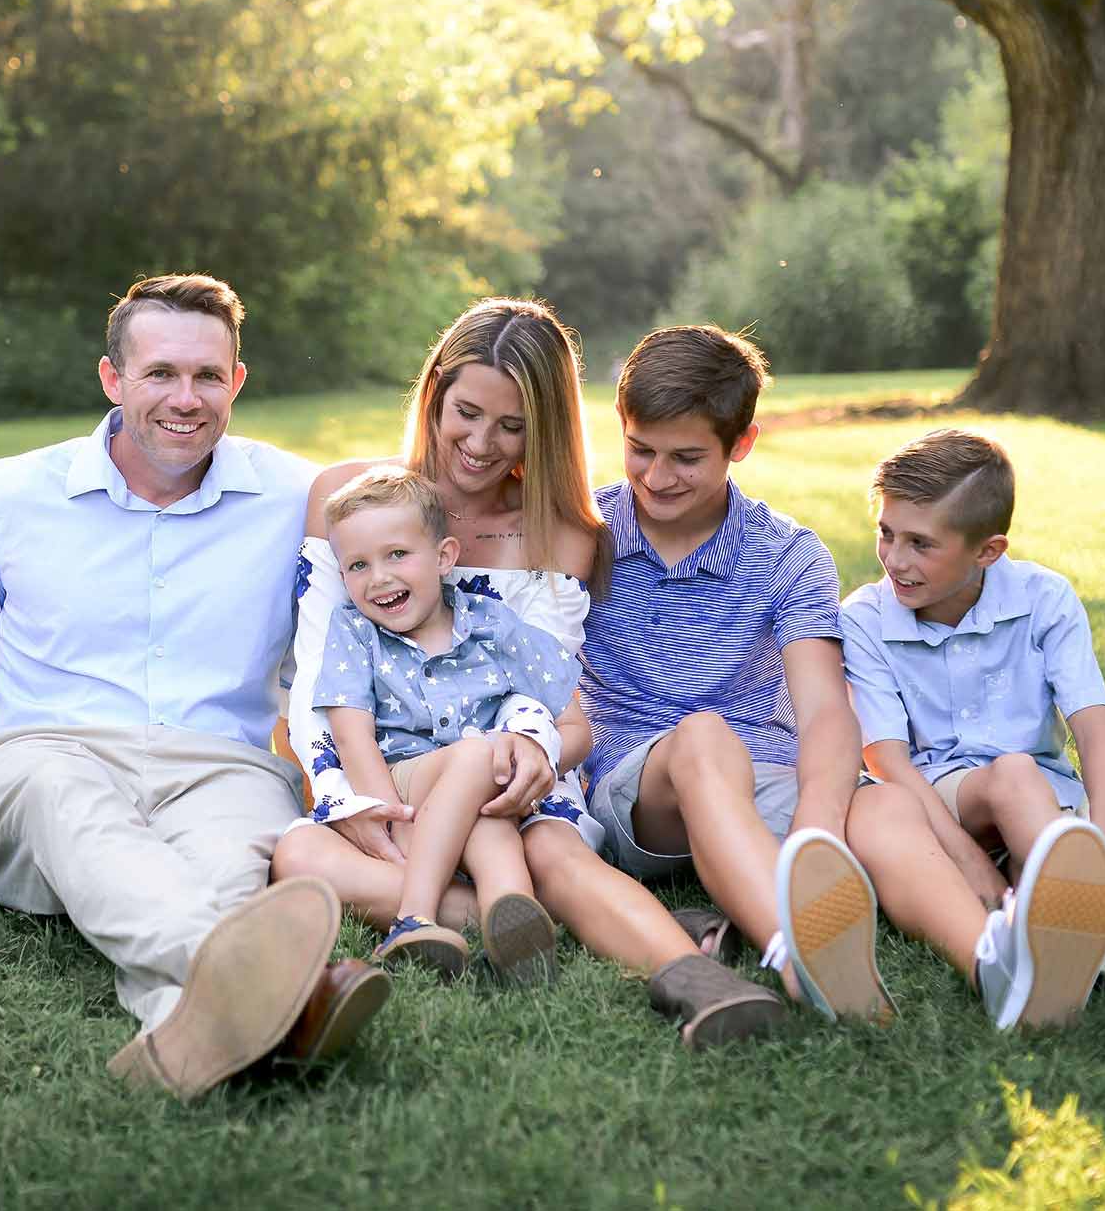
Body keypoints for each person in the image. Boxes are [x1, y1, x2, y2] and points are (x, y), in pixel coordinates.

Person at [0, 273, 386, 1101]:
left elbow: (418, 534)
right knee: (66, 797)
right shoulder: (11, 493)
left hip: (225, 770)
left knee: (224, 865)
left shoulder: (297, 498)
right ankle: (288, 996)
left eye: (209, 376)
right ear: (112, 379)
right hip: (42, 762)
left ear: (237, 382)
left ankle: (181, 1035)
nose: (186, 398)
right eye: (160, 373)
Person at [274, 300, 786, 1048]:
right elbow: (322, 676)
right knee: (301, 856)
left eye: (511, 426)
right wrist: (353, 800)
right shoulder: (351, 500)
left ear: (542, 428)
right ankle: (560, 918)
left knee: (548, 849)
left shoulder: (562, 530)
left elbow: (549, 699)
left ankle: (696, 978)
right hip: (383, 777)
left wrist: (532, 753)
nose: (480, 444)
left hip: (509, 783)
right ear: (435, 394)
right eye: (467, 412)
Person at [838, 427, 1105, 1021]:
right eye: (886, 533)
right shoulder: (865, 618)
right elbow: (886, 761)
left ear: (988, 551)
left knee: (1043, 859)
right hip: (936, 803)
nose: (895, 559)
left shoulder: (1045, 598)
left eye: (920, 544)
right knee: (1012, 774)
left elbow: (1094, 726)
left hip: (1046, 812)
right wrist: (966, 859)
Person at [575, 324, 901, 1025]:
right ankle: (797, 951)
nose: (657, 478)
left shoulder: (787, 554)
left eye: (687, 458)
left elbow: (822, 712)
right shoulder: (584, 532)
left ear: (741, 444)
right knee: (702, 739)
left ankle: (992, 951)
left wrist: (819, 829)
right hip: (642, 792)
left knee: (884, 808)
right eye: (641, 451)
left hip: (762, 774)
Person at [310, 466, 572, 982]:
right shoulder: (356, 632)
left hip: (481, 792)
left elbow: (569, 709)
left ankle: (512, 922)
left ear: (445, 557)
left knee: (491, 803)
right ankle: (413, 917)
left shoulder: (489, 623)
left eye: (397, 555)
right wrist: (391, 822)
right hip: (403, 783)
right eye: (358, 565)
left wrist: (534, 751)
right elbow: (352, 734)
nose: (379, 578)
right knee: (482, 755)